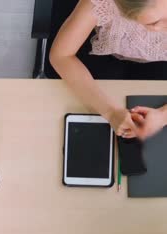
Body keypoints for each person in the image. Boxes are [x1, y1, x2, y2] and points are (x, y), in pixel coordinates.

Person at [50, 0, 167, 139]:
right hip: (109, 53)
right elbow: (61, 55)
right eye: (153, 22)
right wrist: (110, 112)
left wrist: (162, 116)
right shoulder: (101, 3)